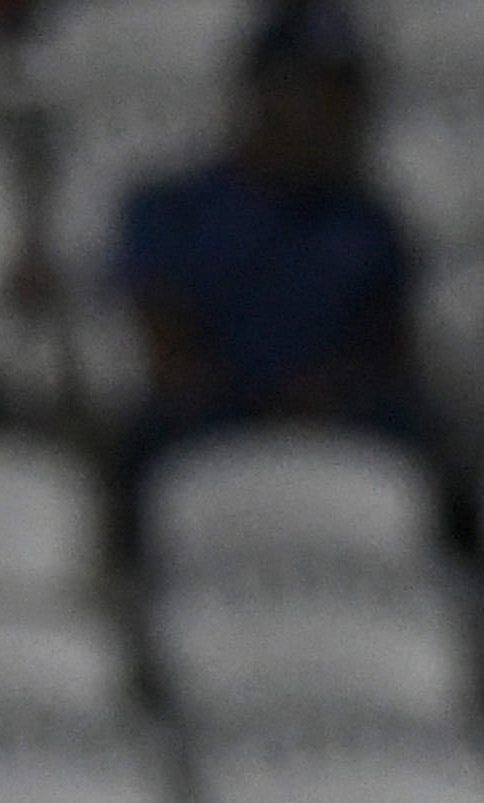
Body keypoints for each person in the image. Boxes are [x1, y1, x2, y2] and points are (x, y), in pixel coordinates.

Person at [114, 0, 434, 502]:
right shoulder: (173, 206)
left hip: (339, 420)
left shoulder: (370, 219)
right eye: (315, 92)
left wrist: (328, 396)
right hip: (214, 417)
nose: (337, 114)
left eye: (346, 94)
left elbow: (389, 354)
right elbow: (169, 353)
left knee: (418, 440)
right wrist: (266, 407)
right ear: (261, 93)